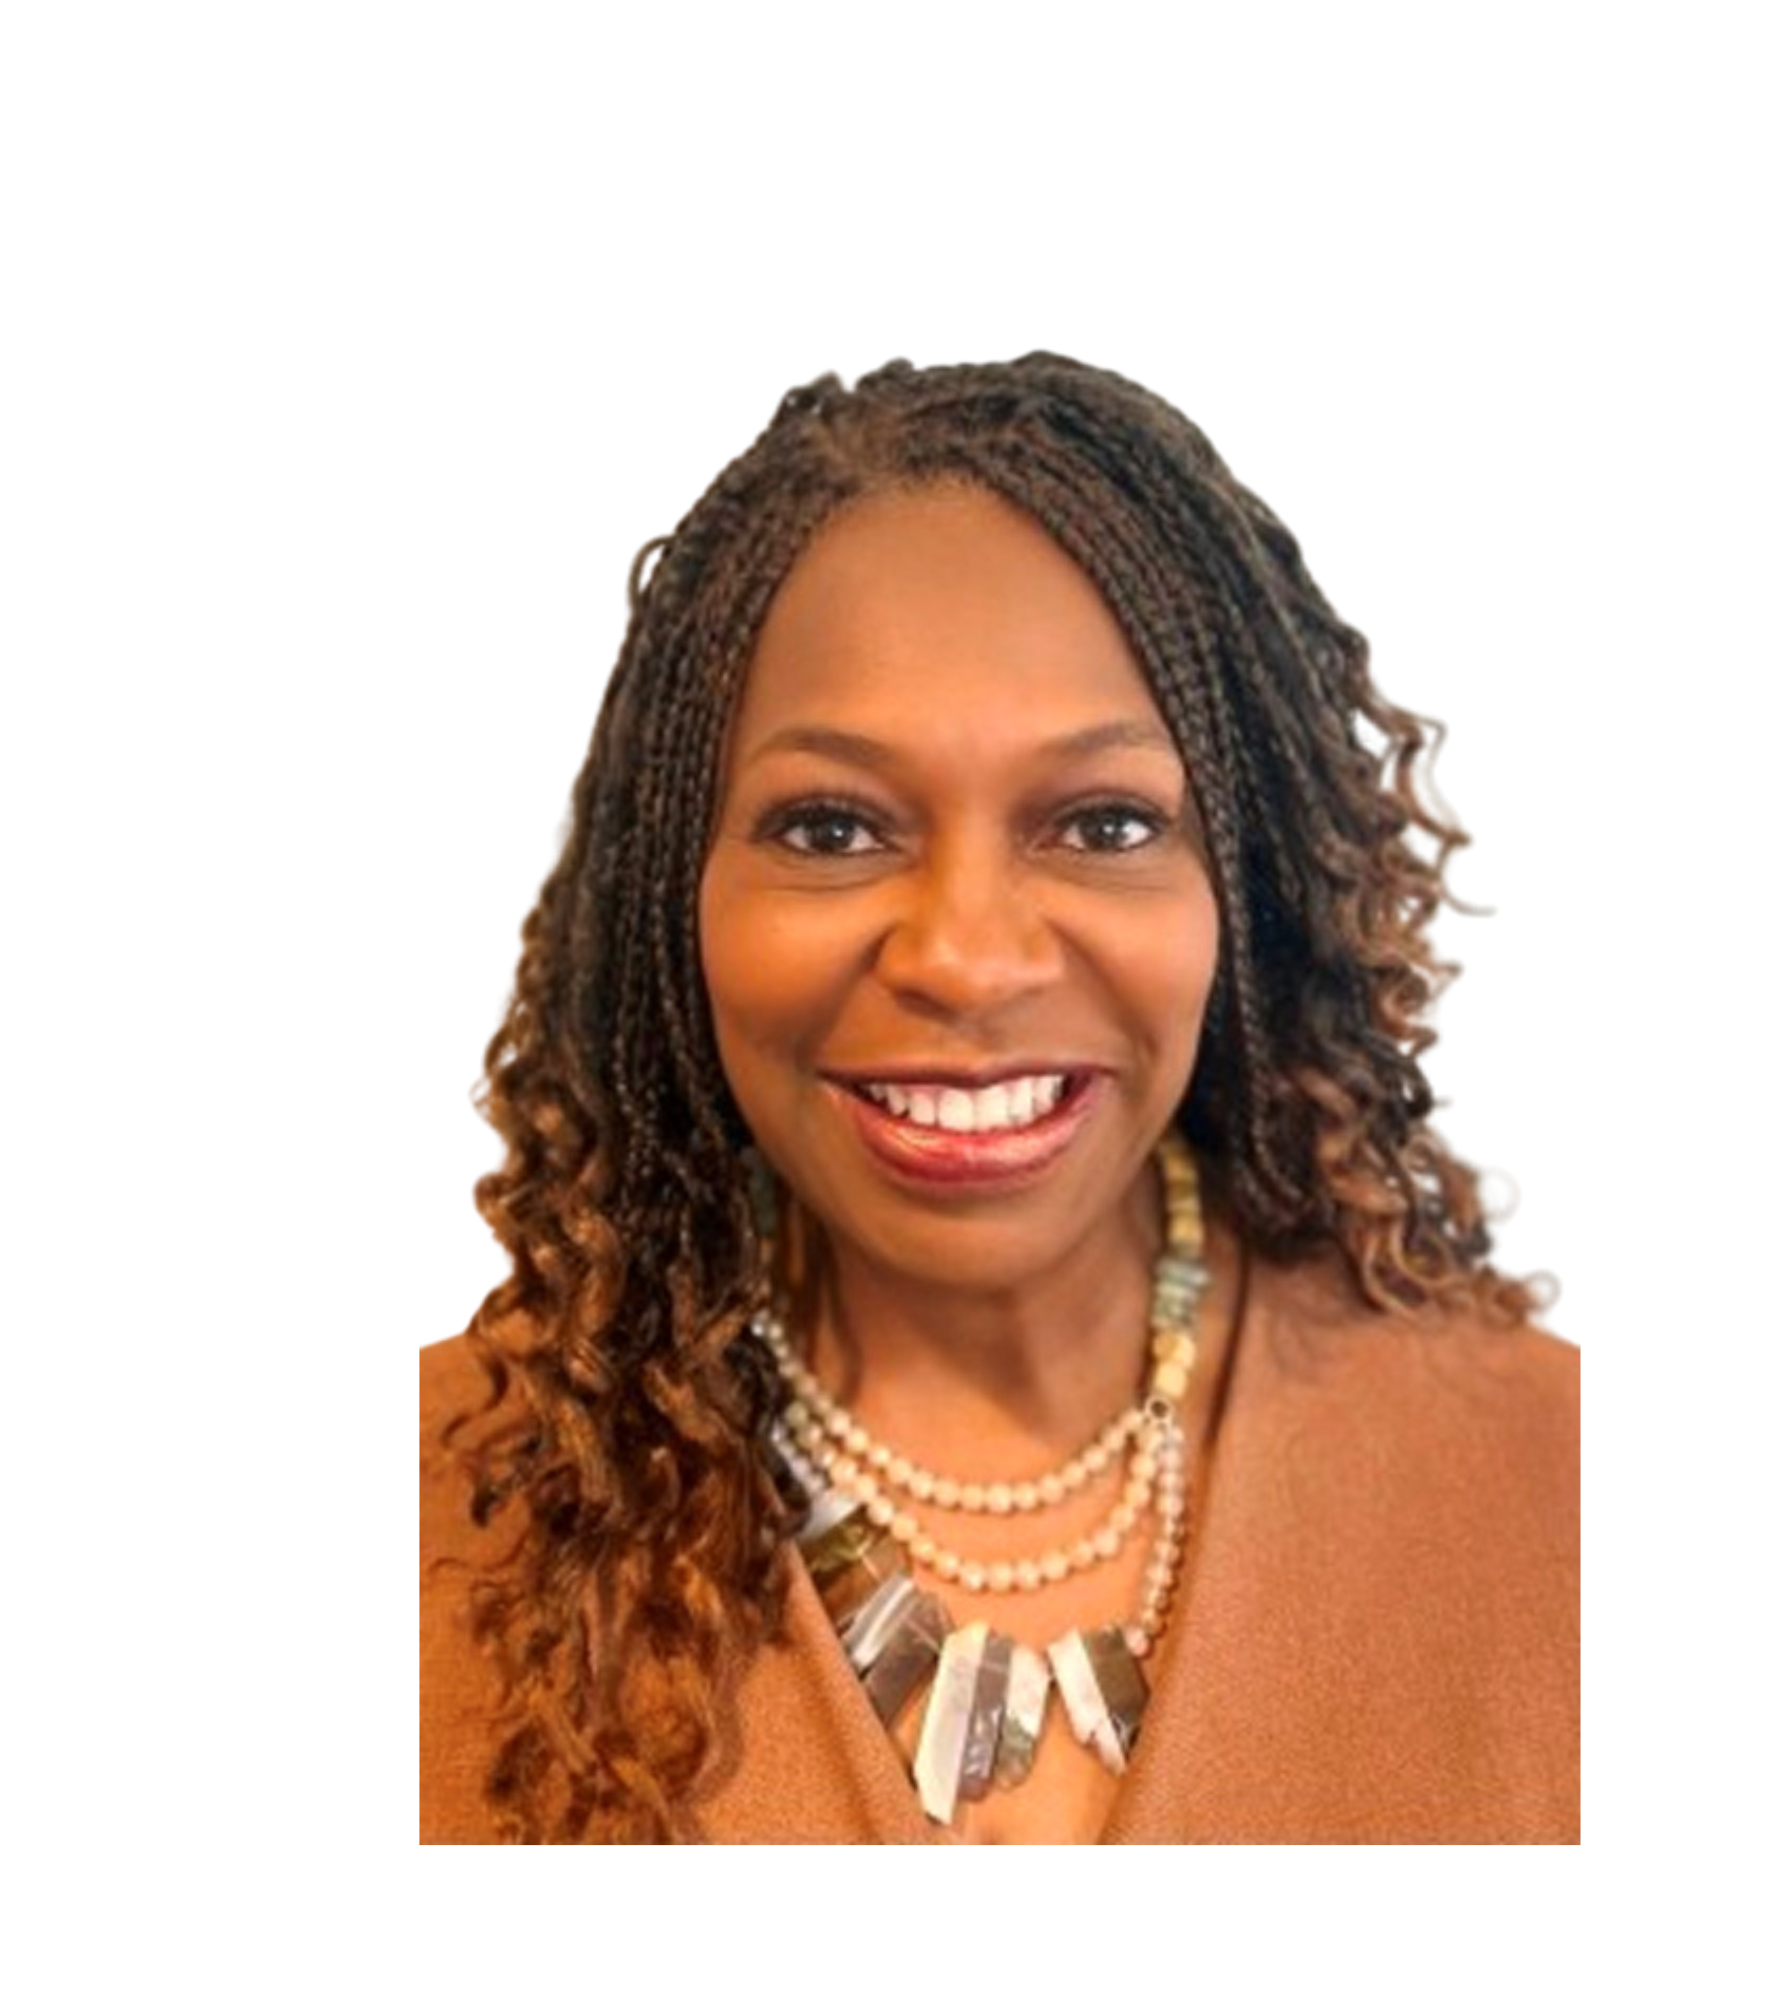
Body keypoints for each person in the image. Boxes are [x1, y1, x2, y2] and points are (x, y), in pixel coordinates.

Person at [419, 355, 1580, 1844]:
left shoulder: (1566, 1497)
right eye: (831, 826)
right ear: (671, 900)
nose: (966, 958)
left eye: (1104, 823)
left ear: (1255, 889)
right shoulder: (404, 1537)